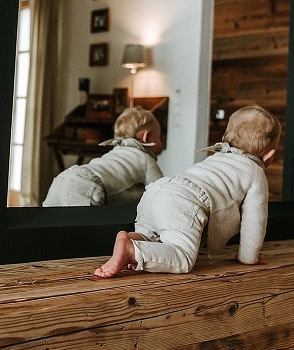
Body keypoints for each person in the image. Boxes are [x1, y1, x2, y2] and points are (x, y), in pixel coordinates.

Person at [95, 104, 281, 277]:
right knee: (183, 258)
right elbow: (254, 222)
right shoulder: (255, 173)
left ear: (225, 137)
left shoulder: (216, 157)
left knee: (153, 237)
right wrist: (249, 258)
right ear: (269, 155)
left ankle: (132, 239)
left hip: (156, 191)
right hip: (185, 203)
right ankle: (131, 251)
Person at [42, 107, 164, 207]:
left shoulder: (116, 152)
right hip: (85, 185)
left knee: (50, 229)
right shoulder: (145, 159)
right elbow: (162, 193)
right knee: (83, 234)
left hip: (62, 179)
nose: (161, 144)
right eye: (159, 138)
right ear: (146, 137)